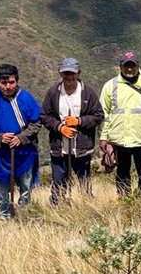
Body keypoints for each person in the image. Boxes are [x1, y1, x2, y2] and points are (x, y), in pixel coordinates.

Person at [0, 64, 42, 219]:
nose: (8, 86)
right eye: (3, 83)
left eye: (11, 82)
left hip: (24, 152)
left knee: (25, 187)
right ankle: (3, 216)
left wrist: (21, 137)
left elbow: (37, 122)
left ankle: (24, 215)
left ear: (16, 81)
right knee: (2, 188)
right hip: (1, 154)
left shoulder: (26, 98)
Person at [41, 58, 104, 204]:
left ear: (79, 73)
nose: (69, 77)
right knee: (58, 183)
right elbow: (44, 116)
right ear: (61, 74)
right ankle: (57, 210)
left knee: (84, 183)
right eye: (65, 73)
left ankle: (86, 209)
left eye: (72, 73)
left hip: (82, 148)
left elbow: (98, 116)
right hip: (59, 148)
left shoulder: (88, 93)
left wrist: (79, 121)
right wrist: (60, 127)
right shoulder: (53, 93)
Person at [99, 52, 141, 198]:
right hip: (120, 140)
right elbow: (104, 114)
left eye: (132, 65)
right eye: (126, 66)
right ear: (120, 67)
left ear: (138, 66)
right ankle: (124, 201)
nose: (130, 69)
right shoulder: (110, 86)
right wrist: (104, 136)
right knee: (122, 174)